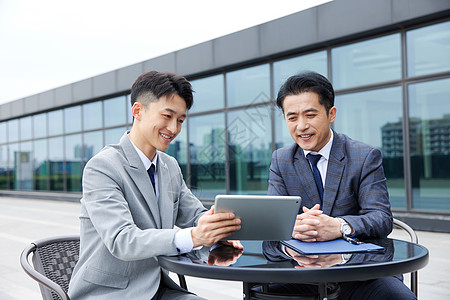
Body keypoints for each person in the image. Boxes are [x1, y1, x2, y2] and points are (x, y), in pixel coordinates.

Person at [68, 70, 242, 300]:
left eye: (180, 120)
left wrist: (217, 228)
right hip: (109, 292)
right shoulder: (102, 167)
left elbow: (194, 214)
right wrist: (194, 237)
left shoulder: (169, 166)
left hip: (157, 288)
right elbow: (123, 240)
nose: (173, 128)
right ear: (138, 111)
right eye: (167, 116)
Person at [265, 71, 416, 299]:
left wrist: (338, 226)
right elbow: (272, 226)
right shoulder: (281, 159)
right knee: (257, 290)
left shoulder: (364, 156)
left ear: (331, 114)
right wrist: (291, 229)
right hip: (301, 274)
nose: (301, 126)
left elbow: (381, 218)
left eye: (310, 114)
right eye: (292, 117)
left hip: (361, 273)